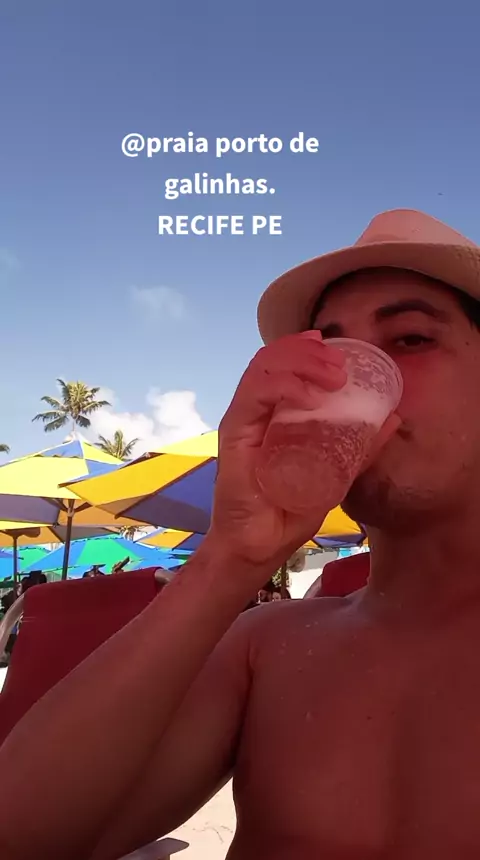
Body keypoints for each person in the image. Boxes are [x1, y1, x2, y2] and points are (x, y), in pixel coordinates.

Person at [1, 208, 480, 860]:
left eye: (411, 339)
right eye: (328, 353)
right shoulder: (267, 648)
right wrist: (229, 557)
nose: (347, 379)